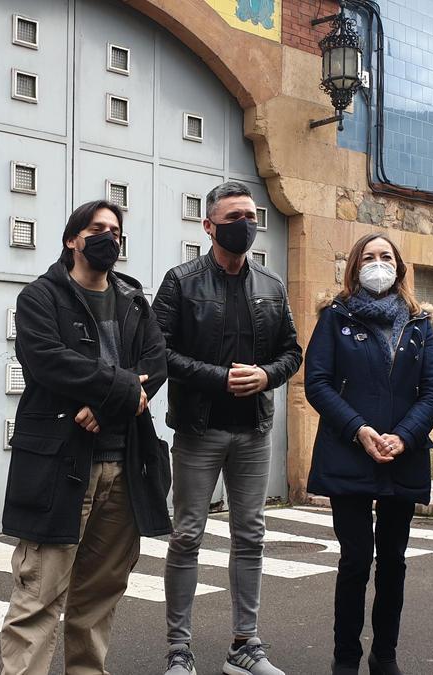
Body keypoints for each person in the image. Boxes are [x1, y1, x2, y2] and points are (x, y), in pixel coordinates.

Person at [0, 200, 172, 675]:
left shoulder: (135, 299)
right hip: (61, 466)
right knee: (38, 595)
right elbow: (48, 360)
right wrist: (120, 390)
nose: (108, 237)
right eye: (97, 229)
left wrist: (106, 403)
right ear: (73, 239)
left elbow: (155, 364)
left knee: (98, 599)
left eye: (115, 231)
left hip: (125, 466)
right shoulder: (40, 297)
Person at [153, 181, 303, 675]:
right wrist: (218, 379)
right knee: (188, 535)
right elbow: (159, 352)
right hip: (200, 429)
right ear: (209, 225)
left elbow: (291, 352)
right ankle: (179, 648)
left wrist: (265, 376)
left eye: (250, 215)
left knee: (251, 535)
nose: (245, 224)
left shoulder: (271, 285)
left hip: (253, 431)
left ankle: (245, 644)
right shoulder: (181, 281)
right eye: (234, 216)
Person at [303, 233, 433, 675]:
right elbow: (318, 383)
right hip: (349, 453)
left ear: (400, 266)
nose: (378, 263)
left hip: (402, 455)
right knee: (355, 560)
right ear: (355, 267)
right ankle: (345, 658)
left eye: (386, 256)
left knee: (393, 564)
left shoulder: (419, 322)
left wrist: (403, 436)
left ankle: (384, 656)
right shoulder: (334, 317)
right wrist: (359, 430)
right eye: (369, 257)